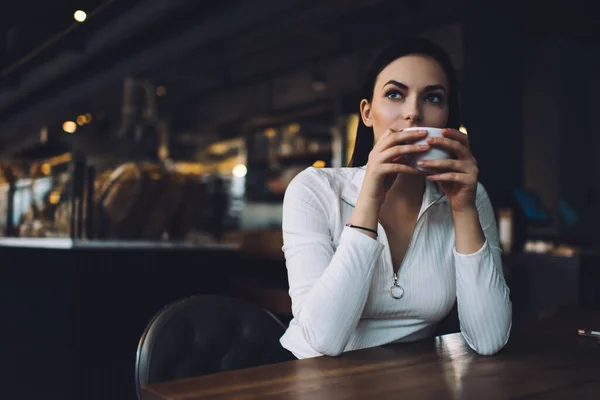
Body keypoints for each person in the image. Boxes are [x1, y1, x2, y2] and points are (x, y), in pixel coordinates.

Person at [277, 37, 512, 360]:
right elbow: (324, 338)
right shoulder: (314, 189)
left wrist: (463, 208)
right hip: (306, 377)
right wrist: (369, 199)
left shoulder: (468, 198)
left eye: (432, 98)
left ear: (447, 120)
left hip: (404, 381)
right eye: (394, 94)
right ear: (367, 113)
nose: (413, 113)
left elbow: (489, 339)